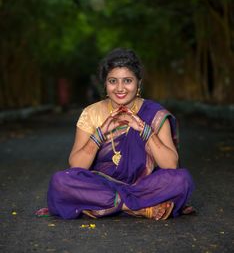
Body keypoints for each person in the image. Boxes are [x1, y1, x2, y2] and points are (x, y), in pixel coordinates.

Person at [47, 48, 195, 220]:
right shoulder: (91, 113)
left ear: (138, 83)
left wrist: (144, 129)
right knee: (61, 181)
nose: (120, 88)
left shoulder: (155, 113)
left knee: (182, 180)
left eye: (127, 81)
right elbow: (77, 166)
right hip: (101, 184)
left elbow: (170, 164)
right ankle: (135, 207)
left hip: (144, 185)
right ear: (105, 84)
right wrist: (100, 133)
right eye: (113, 81)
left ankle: (108, 204)